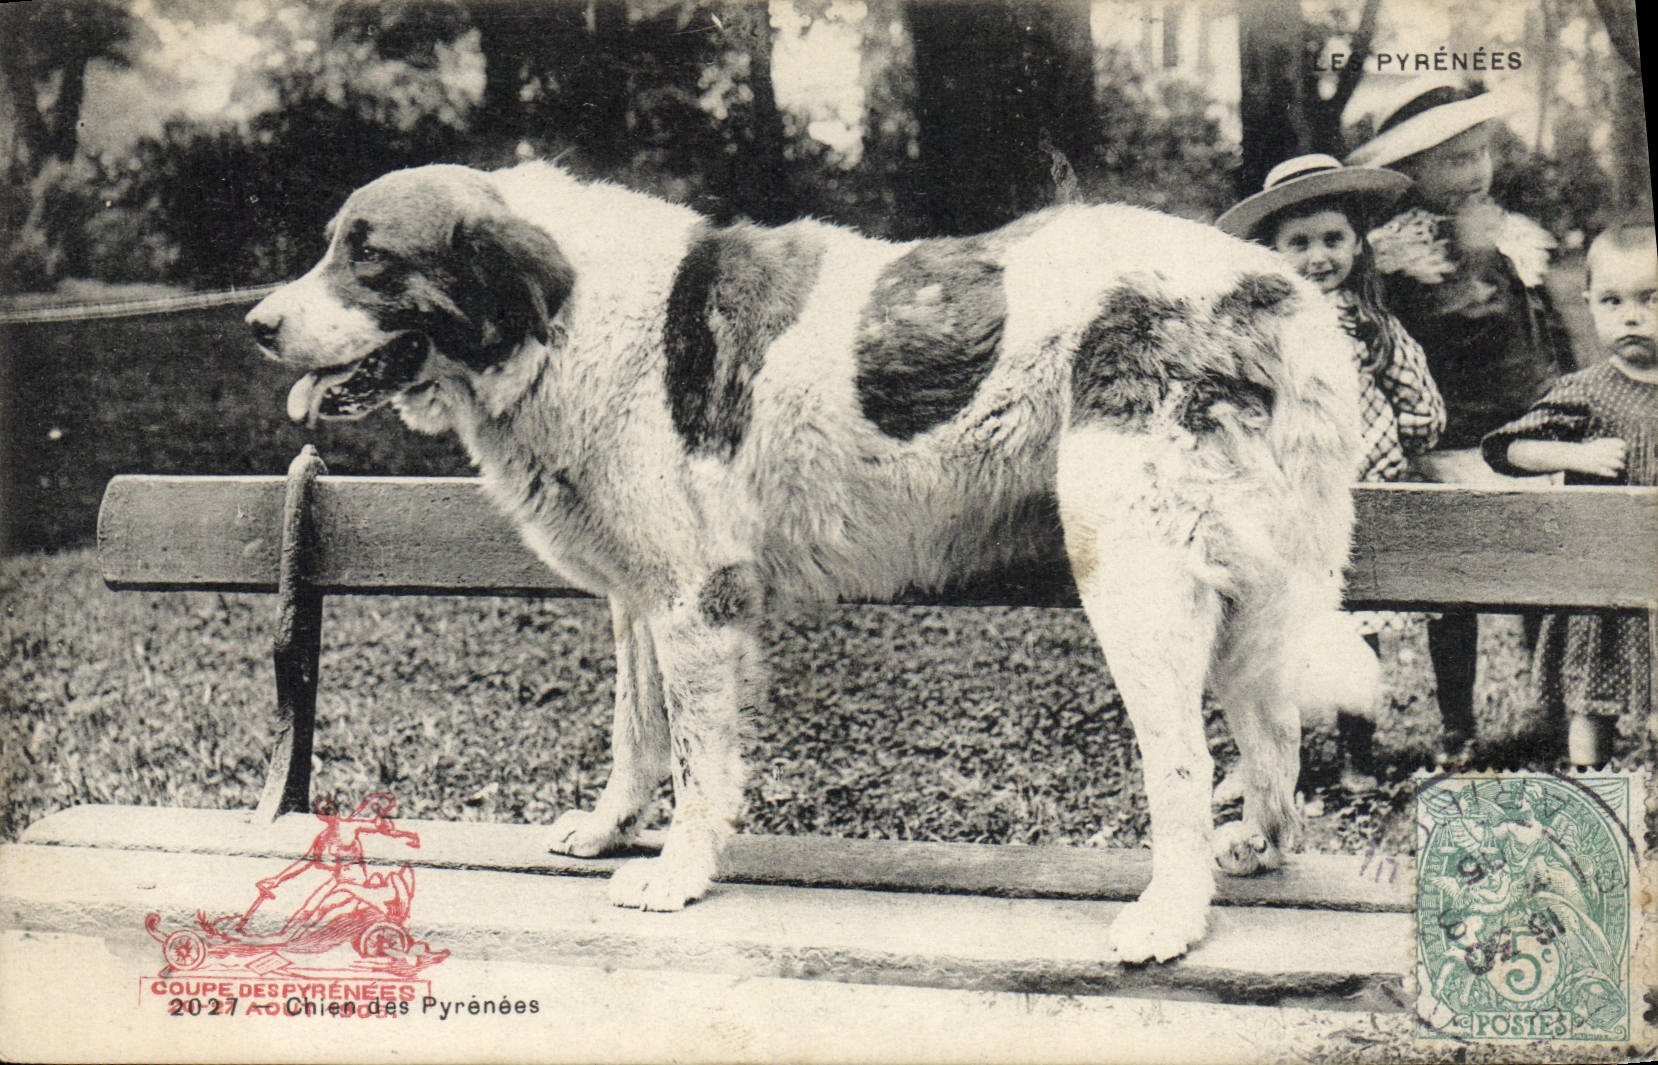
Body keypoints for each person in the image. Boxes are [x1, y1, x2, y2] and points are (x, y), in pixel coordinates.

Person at [1347, 77, 1573, 766]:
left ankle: (1553, 712)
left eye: (1481, 154)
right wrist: (1470, 256)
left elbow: (1540, 327)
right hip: (1452, 438)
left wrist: (1561, 389)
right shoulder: (1395, 254)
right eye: (1455, 160)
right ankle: (1457, 725)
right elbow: (1432, 334)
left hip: (1526, 429)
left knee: (1545, 580)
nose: (1477, 172)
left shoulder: (1506, 236)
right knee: (1454, 595)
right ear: (1410, 174)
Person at [1217, 154, 1446, 792]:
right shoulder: (1258, 334)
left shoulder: (1374, 328)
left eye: (1332, 239)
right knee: (1269, 624)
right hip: (1283, 500)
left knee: (1357, 621)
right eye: (1299, 244)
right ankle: (1263, 756)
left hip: (1358, 498)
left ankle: (1357, 754)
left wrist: (1398, 444)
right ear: (1271, 254)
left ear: (1356, 246)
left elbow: (1423, 407)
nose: (1318, 257)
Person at [1481, 222, 1656, 767]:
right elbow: (1507, 450)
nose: (1631, 316)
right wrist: (1576, 455)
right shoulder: (1587, 391)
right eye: (1612, 300)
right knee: (1590, 703)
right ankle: (1593, 794)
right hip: (1600, 581)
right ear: (1588, 304)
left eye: (1651, 300)